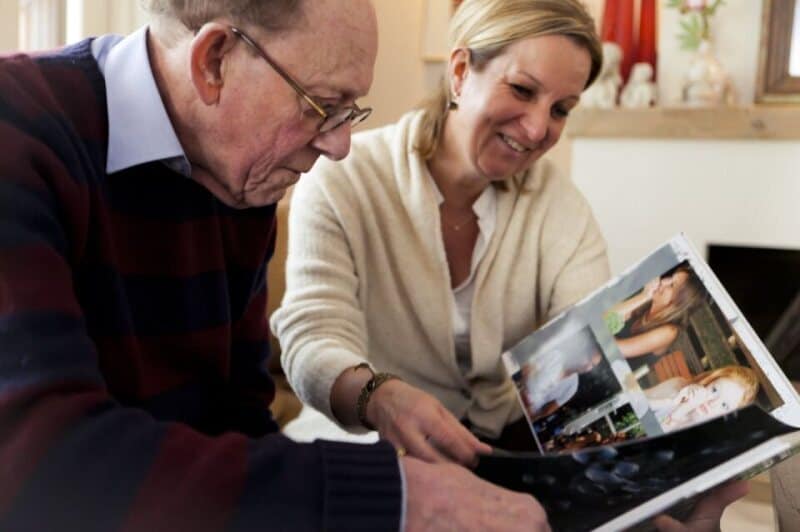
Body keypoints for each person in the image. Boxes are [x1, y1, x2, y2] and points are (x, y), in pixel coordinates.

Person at [0, 1, 551, 530]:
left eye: (349, 111)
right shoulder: (18, 129)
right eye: (322, 106)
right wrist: (399, 500)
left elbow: (236, 424)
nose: (339, 147)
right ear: (214, 60)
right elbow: (38, 465)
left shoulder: (237, 179)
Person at [272, 0, 749, 526]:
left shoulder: (562, 209)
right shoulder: (344, 178)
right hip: (364, 439)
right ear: (459, 72)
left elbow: (591, 344)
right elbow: (312, 334)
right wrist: (377, 396)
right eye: (522, 90)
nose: (538, 127)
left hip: (499, 451)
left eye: (562, 108)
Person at [605, 266, 704, 370]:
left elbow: (617, 351)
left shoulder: (669, 332)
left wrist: (605, 329)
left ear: (679, 302)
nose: (663, 281)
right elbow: (606, 317)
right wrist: (644, 296)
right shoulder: (646, 304)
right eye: (670, 277)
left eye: (672, 285)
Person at [644, 365, 759, 432]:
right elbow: (631, 405)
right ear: (707, 382)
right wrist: (671, 402)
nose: (712, 403)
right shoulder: (678, 386)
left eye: (725, 405)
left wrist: (680, 411)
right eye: (715, 390)